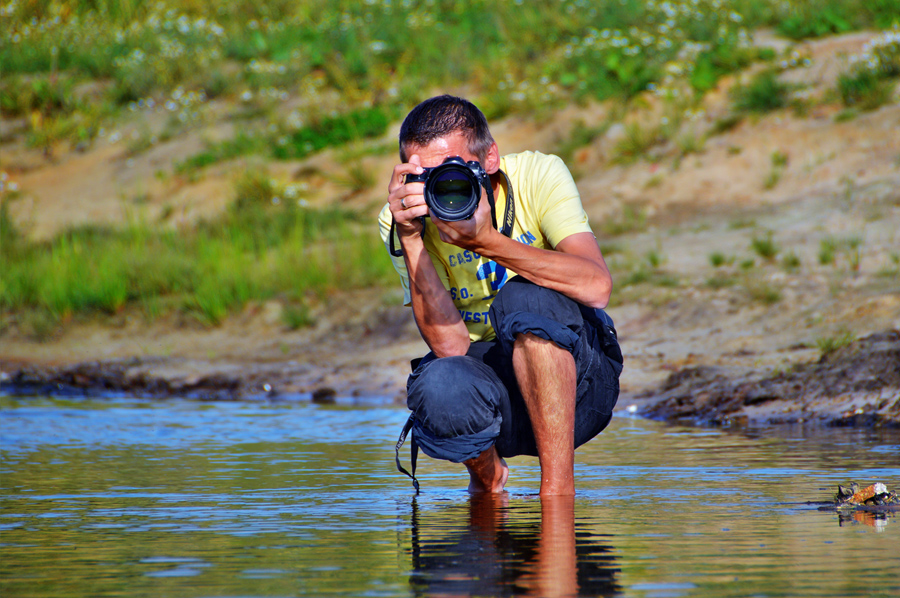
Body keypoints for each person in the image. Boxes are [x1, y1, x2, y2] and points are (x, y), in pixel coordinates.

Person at [378, 95, 622, 496]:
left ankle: (557, 492)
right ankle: (488, 481)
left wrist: (488, 242)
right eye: (425, 176)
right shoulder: (402, 219)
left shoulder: (537, 175)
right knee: (438, 383)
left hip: (580, 387)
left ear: (489, 158)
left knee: (523, 300)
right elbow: (451, 346)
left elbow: (597, 287)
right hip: (492, 390)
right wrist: (411, 239)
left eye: (453, 171)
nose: (445, 188)